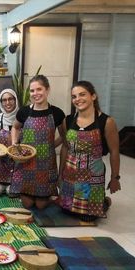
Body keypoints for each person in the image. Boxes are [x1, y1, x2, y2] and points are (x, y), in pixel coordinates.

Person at [59, 81, 120, 221]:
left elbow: (115, 151)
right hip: (70, 174)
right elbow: (65, 147)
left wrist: (115, 178)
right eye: (74, 96)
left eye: (82, 94)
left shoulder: (107, 122)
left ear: (93, 96)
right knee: (66, 211)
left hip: (93, 175)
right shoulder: (67, 121)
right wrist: (60, 173)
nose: (77, 99)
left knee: (88, 217)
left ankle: (104, 201)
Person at [10, 75, 65, 209]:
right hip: (26, 162)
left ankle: (46, 196)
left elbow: (64, 136)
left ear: (47, 90)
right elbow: (15, 127)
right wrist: (14, 143)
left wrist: (52, 146)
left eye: (39, 89)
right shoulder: (24, 112)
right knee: (27, 204)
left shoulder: (57, 113)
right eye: (32, 90)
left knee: (41, 205)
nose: (35, 94)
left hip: (45, 165)